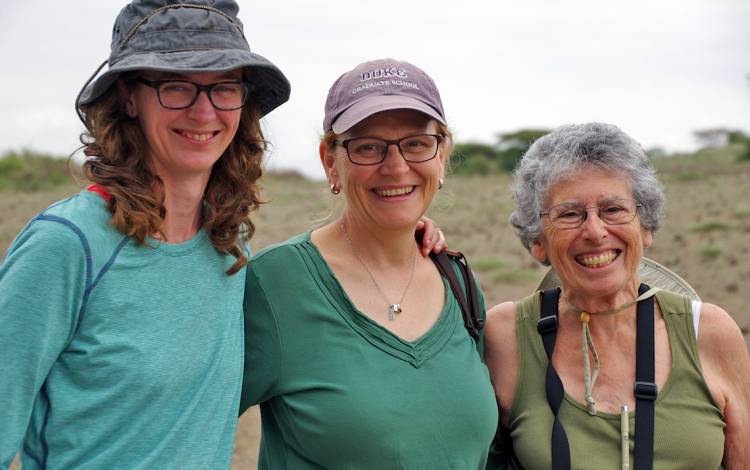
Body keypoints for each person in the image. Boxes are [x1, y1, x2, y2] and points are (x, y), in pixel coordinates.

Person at [239, 58, 498, 469]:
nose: (395, 166)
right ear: (330, 160)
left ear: (442, 155)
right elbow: (185, 426)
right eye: (367, 147)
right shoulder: (276, 284)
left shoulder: (458, 280)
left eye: (416, 143)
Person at [484, 122, 750, 469]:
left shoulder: (710, 332)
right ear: (537, 241)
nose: (594, 231)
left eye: (613, 209)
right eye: (569, 214)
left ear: (647, 225)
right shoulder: (506, 336)